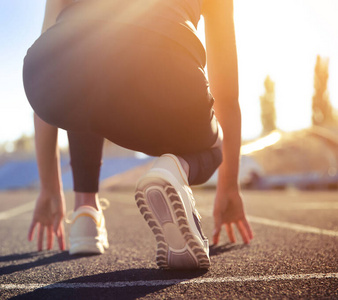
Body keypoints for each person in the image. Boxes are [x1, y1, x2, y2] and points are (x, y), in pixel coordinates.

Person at [24, 0, 253, 269]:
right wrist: (228, 187)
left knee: (84, 54)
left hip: (50, 69)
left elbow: (54, 55)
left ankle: (85, 212)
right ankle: (176, 168)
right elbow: (226, 94)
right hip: (166, 59)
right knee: (216, 142)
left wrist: (50, 188)